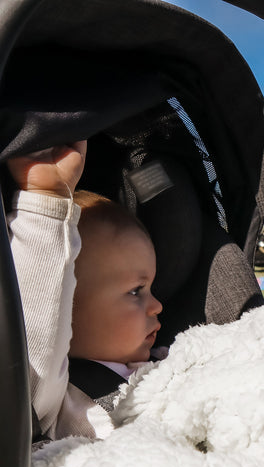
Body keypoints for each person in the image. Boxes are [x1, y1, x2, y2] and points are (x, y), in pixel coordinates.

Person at [7, 141, 163, 441]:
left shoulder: (168, 357)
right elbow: (40, 320)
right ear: (65, 313)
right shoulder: (56, 403)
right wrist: (47, 197)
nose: (157, 305)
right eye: (136, 291)